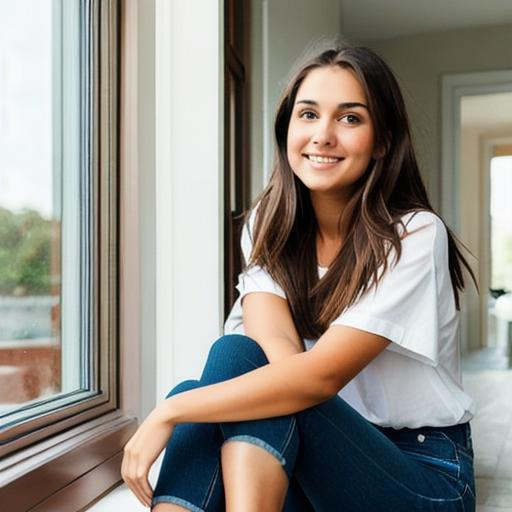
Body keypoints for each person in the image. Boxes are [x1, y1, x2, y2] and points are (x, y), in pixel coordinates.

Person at [121, 45, 477, 512]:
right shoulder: (269, 224)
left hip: (420, 471)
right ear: (287, 127)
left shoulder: (411, 234)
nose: (323, 136)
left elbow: (318, 377)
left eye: (350, 119)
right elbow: (279, 360)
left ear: (383, 141)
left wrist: (170, 409)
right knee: (236, 354)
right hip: (313, 458)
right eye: (308, 114)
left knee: (196, 396)